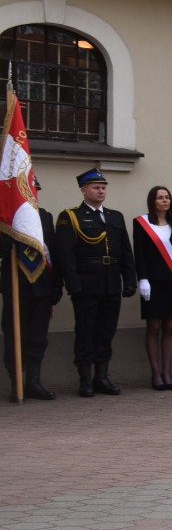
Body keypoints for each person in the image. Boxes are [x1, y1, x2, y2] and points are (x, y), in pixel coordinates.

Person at [55, 168, 136, 397]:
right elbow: (65, 255)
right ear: (84, 190)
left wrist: (129, 279)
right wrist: (73, 285)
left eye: (103, 188)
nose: (101, 191)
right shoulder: (70, 216)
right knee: (86, 331)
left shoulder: (114, 216)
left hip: (111, 283)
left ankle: (102, 376)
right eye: (96, 187)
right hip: (86, 283)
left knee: (106, 331)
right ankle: (85, 379)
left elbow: (125, 251)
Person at [2, 172, 60, 401]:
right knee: (14, 335)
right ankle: (16, 383)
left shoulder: (45, 217)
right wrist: (9, 236)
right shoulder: (6, 219)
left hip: (42, 285)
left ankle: (34, 382)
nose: (31, 194)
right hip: (17, 286)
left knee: (38, 336)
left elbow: (53, 252)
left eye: (34, 190)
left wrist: (57, 284)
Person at [131, 186, 172, 391]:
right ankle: (155, 373)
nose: (165, 201)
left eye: (167, 197)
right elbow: (138, 252)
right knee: (154, 327)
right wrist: (143, 279)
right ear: (152, 201)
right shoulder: (142, 223)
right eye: (160, 198)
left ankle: (167, 372)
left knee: (169, 328)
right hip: (153, 283)